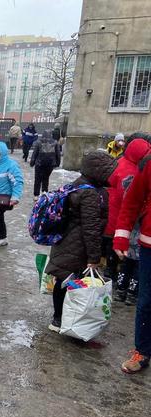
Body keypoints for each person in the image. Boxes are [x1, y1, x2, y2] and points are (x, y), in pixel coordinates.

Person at [44, 151, 116, 332]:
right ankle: (63, 320)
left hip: (65, 242)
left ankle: (59, 318)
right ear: (98, 172)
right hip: (78, 246)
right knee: (72, 282)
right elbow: (91, 229)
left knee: (64, 279)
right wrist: (94, 257)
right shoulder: (91, 194)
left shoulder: (76, 186)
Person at [114, 153, 151, 373]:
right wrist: (122, 235)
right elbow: (133, 200)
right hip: (149, 246)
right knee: (146, 301)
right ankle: (142, 350)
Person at [105, 138, 151, 305]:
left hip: (119, 220)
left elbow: (111, 185)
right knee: (137, 264)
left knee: (125, 261)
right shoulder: (136, 171)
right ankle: (131, 292)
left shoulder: (119, 164)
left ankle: (119, 288)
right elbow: (133, 200)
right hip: (136, 226)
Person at [30, 129, 61, 199]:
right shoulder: (55, 142)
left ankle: (36, 195)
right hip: (50, 164)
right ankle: (44, 192)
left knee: (37, 179)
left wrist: (32, 162)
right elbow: (58, 154)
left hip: (39, 163)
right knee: (46, 178)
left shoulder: (39, 142)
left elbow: (35, 153)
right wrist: (57, 163)